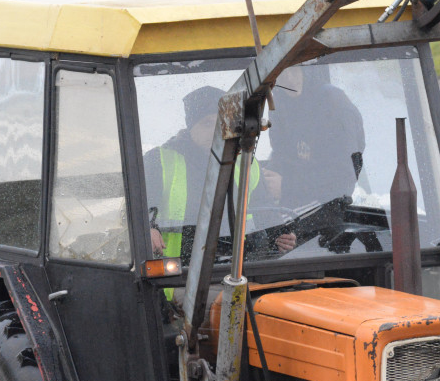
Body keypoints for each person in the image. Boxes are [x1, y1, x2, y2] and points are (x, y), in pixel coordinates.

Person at [143, 86, 295, 262]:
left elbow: (265, 210)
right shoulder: (159, 161)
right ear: (190, 128)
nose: (215, 130)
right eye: (207, 123)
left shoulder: (245, 160)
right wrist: (147, 228)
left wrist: (280, 235)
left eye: (220, 122)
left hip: (241, 267)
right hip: (181, 274)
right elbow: (137, 209)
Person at [262, 64, 365, 211]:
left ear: (306, 67)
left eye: (293, 69)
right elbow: (282, 154)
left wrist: (286, 186)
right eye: (281, 73)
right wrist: (268, 179)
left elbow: (344, 177)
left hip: (331, 207)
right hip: (296, 202)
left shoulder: (333, 103)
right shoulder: (280, 103)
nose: (289, 79)